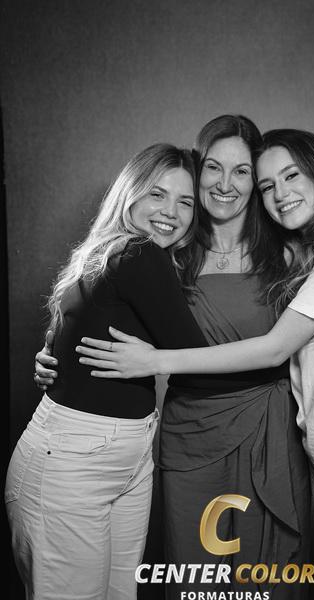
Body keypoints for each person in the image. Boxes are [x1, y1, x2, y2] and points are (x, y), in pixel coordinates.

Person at [34, 117, 314, 599]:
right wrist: (55, 353)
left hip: (272, 432)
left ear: (254, 184)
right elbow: (100, 301)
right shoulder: (169, 248)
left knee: (270, 579)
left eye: (242, 172)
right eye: (214, 167)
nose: (225, 183)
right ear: (198, 173)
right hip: (191, 434)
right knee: (199, 579)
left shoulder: (290, 251)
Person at [5, 143, 210, 600]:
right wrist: (281, 357)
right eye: (157, 194)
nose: (171, 212)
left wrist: (52, 360)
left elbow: (66, 338)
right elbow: (198, 361)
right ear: (130, 193)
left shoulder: (113, 253)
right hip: (75, 460)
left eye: (185, 202)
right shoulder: (138, 253)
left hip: (121, 453)